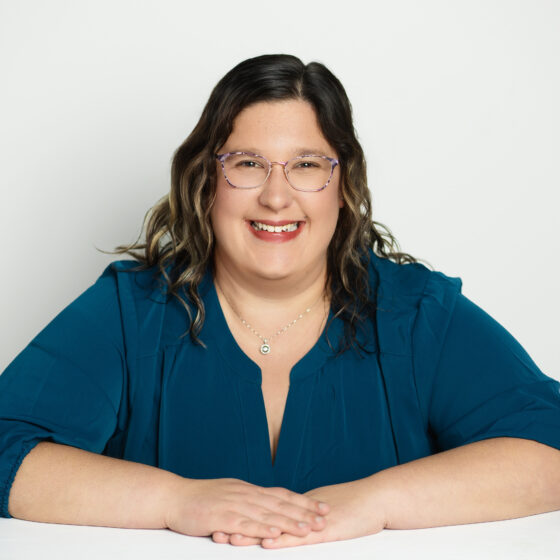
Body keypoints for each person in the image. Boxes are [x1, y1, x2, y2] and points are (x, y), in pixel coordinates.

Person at [1, 54, 560, 549]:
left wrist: (377, 502)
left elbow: (549, 443)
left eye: (307, 165)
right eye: (247, 163)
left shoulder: (417, 315)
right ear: (206, 181)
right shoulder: (131, 311)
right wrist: (175, 500)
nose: (275, 196)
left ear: (344, 186)